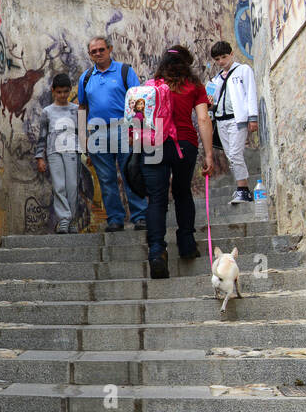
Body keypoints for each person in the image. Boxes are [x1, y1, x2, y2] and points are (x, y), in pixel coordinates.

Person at [143, 45, 215, 279]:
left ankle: (156, 251)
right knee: (183, 193)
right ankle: (186, 243)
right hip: (184, 144)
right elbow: (203, 119)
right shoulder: (194, 86)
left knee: (156, 198)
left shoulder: (150, 87)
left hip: (154, 144)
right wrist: (209, 154)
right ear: (186, 64)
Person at [77, 35, 147, 232]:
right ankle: (115, 219)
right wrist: (84, 138)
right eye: (94, 51)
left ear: (110, 49)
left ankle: (140, 216)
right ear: (89, 55)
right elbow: (82, 107)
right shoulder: (87, 77)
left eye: (101, 49)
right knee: (106, 178)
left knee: (130, 173)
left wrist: (137, 132)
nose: (98, 53)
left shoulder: (124, 71)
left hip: (123, 129)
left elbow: (138, 101)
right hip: (98, 132)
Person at [206, 40, 260, 204]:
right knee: (231, 155)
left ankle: (243, 189)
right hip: (221, 121)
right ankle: (242, 190)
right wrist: (210, 104)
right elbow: (211, 104)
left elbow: (250, 92)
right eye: (217, 59)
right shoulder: (215, 80)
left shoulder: (243, 70)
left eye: (224, 57)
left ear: (231, 54)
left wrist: (253, 117)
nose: (221, 61)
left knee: (236, 154)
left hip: (237, 119)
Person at [34, 73, 82, 233]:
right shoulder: (47, 112)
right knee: (59, 186)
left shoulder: (76, 110)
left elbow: (83, 133)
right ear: (53, 90)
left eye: (66, 92)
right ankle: (63, 220)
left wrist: (87, 152)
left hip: (73, 152)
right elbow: (42, 135)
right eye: (59, 92)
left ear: (70, 91)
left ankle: (73, 220)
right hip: (54, 153)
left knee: (72, 187)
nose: (62, 95)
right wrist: (40, 157)